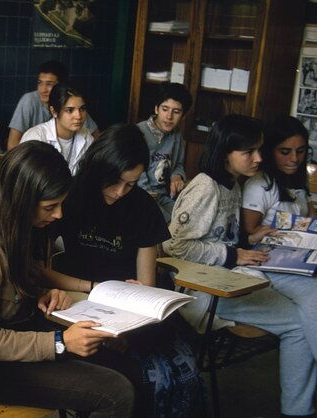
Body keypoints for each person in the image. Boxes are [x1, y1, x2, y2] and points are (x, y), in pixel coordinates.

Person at [0, 141, 134, 417]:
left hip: (11, 330)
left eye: (61, 204)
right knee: (117, 392)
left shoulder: (12, 223)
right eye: (51, 206)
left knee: (116, 354)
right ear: (22, 199)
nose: (59, 214)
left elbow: (10, 283)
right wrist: (60, 341)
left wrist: (41, 293)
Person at [163, 114, 317, 417]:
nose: (258, 158)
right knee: (299, 323)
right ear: (225, 153)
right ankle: (301, 408)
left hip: (229, 279)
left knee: (309, 307)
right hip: (202, 293)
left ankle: (304, 407)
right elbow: (175, 246)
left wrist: (251, 238)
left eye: (259, 150)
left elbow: (225, 237)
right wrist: (234, 256)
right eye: (249, 152)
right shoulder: (205, 187)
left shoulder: (233, 184)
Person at [46, 124, 203, 417]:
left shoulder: (141, 207)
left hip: (128, 305)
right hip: (81, 299)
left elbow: (146, 281)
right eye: (115, 182)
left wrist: (135, 308)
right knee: (138, 376)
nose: (119, 193)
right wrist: (88, 287)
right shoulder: (70, 197)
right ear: (99, 168)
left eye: (130, 184)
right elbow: (37, 267)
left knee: (184, 370)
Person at [7, 60, 99, 150]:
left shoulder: (74, 106)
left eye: (49, 84)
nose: (43, 90)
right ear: (53, 111)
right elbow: (12, 144)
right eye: (40, 83)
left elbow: (97, 139)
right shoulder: (29, 101)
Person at [136, 82, 192, 223]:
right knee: (167, 225)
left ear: (183, 116)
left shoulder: (176, 134)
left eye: (176, 112)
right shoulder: (139, 132)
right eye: (165, 109)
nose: (169, 117)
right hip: (141, 196)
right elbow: (136, 175)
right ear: (156, 109)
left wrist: (176, 175)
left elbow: (178, 163)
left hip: (164, 196)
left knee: (188, 219)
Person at [19, 83, 93, 175]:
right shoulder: (35, 137)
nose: (78, 116)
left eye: (82, 109)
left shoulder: (86, 136)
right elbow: (26, 179)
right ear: (54, 111)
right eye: (70, 110)